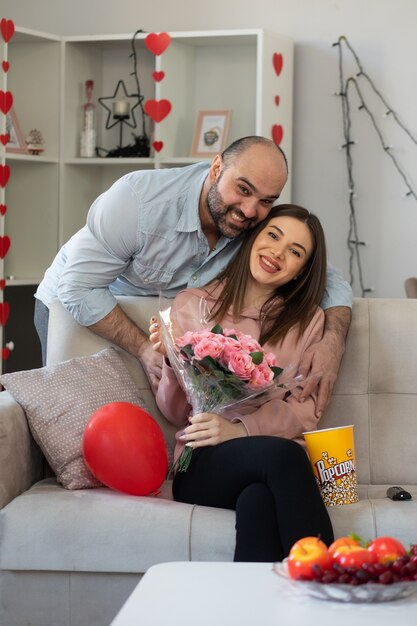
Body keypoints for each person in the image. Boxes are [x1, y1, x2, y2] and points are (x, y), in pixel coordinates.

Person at [34, 136, 351, 415]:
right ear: (216, 168)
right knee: (76, 421)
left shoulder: (254, 224)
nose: (250, 210)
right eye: (243, 189)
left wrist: (333, 342)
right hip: (79, 306)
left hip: (164, 328)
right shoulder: (139, 202)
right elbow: (78, 288)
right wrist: (144, 348)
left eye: (266, 200)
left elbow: (326, 278)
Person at [149, 204, 334, 562]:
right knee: (287, 456)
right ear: (253, 238)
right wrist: (173, 361)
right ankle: (332, 584)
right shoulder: (193, 304)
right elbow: (174, 411)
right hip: (201, 462)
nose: (278, 253)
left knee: (257, 501)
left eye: (295, 252)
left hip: (269, 461)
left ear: (302, 271)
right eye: (273, 236)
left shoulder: (309, 321)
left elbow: (306, 412)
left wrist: (240, 430)